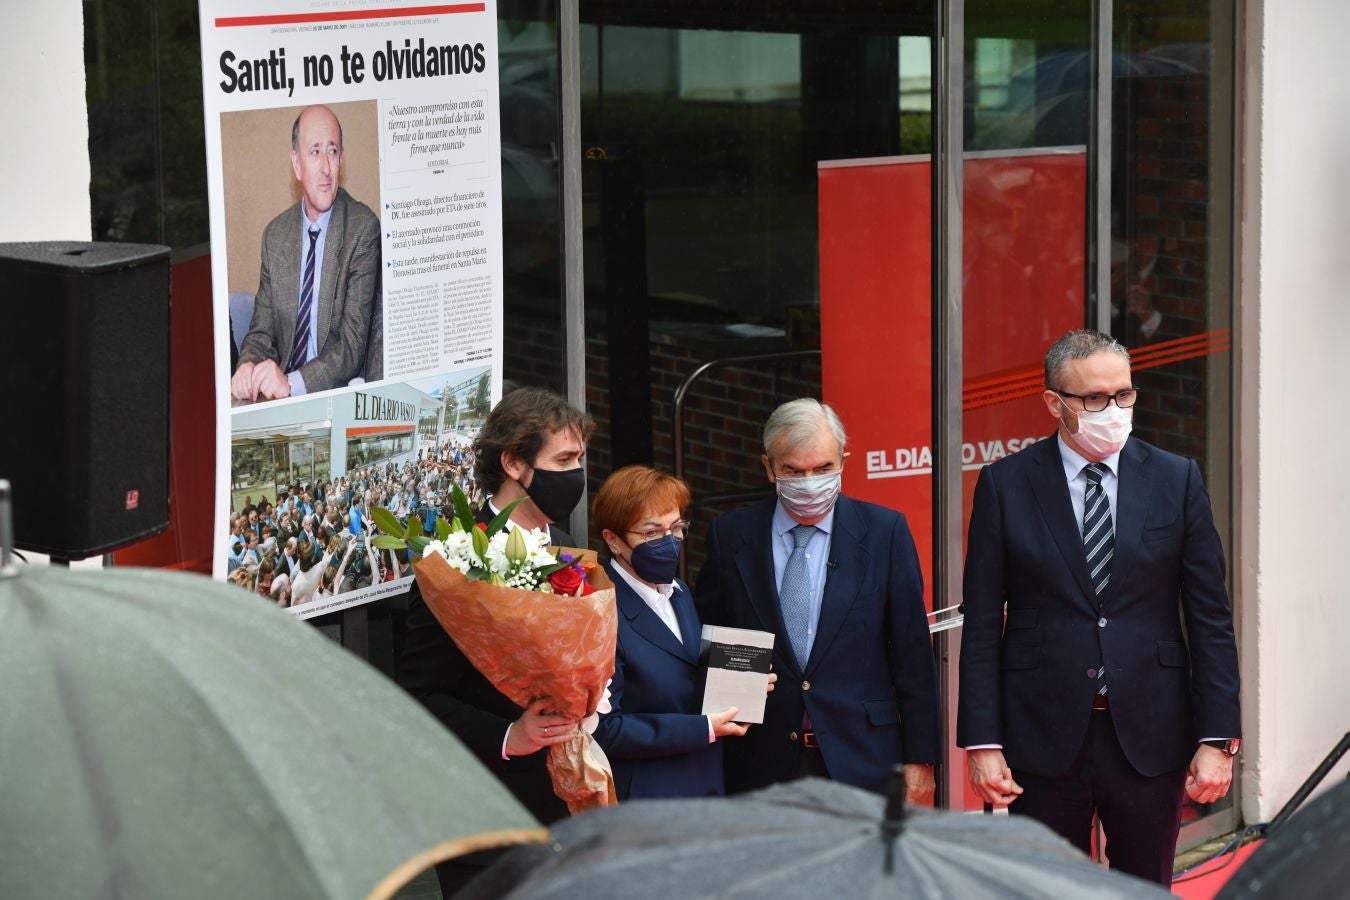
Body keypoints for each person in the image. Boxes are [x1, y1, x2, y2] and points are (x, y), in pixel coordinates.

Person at [957, 329, 1240, 885]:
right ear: (1053, 403)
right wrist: (982, 742)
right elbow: (984, 624)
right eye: (1094, 399)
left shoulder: (1176, 478)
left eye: (1124, 395)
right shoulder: (1005, 485)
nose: (1113, 410)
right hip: (1041, 736)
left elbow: (1210, 618)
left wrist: (1217, 738)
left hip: (1151, 732)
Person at [395, 387, 595, 896]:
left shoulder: (570, 549)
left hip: (568, 814)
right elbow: (417, 699)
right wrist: (510, 735)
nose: (576, 474)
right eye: (564, 459)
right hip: (488, 826)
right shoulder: (456, 561)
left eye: (580, 459)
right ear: (513, 463)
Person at [696, 398, 941, 802]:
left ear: (844, 461)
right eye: (794, 470)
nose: (809, 481)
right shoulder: (732, 534)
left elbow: (912, 654)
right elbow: (718, 635)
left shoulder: (884, 532)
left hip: (863, 760)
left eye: (823, 468)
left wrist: (920, 760)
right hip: (760, 761)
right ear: (768, 467)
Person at [592, 465, 768, 800]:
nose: (668, 542)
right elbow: (605, 729)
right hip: (647, 801)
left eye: (675, 528)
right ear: (613, 540)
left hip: (704, 788)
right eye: (651, 533)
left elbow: (683, 673)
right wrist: (701, 729)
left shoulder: (681, 593)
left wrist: (743, 681)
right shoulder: (600, 611)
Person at [231, 104, 381, 403]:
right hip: (279, 394)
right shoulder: (275, 235)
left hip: (333, 393)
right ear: (297, 164)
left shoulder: (362, 229)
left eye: (333, 151)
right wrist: (247, 365)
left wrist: (290, 383)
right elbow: (262, 330)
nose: (326, 167)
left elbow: (352, 346)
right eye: (315, 152)